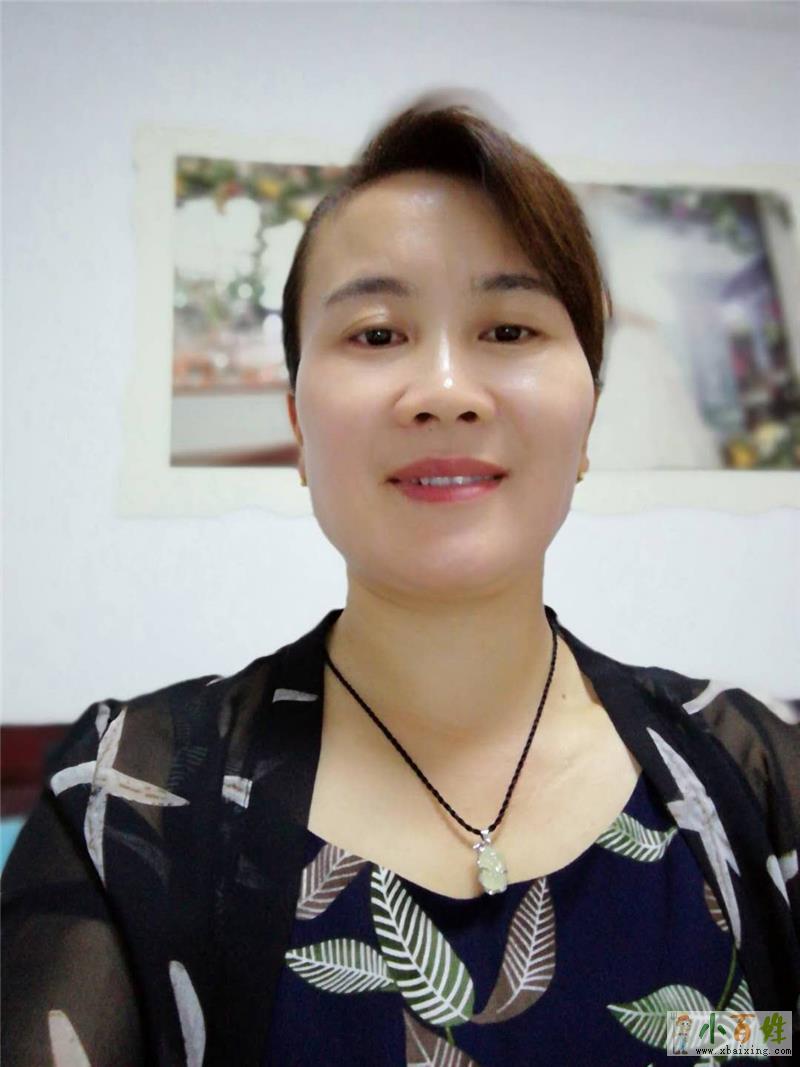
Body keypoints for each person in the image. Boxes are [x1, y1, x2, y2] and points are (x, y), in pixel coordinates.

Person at [2, 89, 798, 1067]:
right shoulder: (124, 800)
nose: (445, 393)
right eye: (377, 333)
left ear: (588, 416)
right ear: (298, 429)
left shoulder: (763, 780)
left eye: (509, 330)